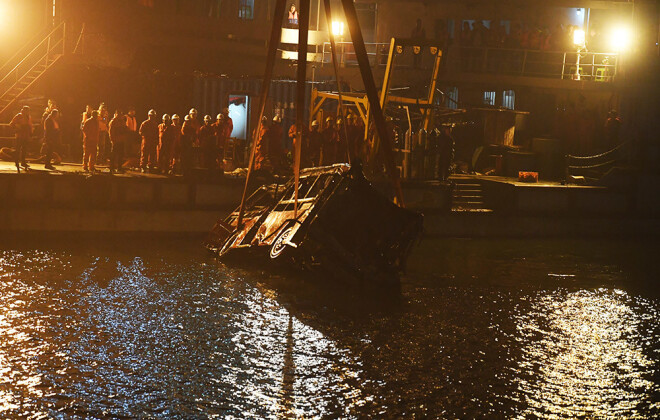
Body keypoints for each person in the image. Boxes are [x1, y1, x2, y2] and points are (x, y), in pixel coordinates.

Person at [10, 106, 33, 172]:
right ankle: (16, 161)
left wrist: (31, 133)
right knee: (18, 149)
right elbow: (12, 124)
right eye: (27, 110)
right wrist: (18, 128)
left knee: (24, 149)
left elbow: (30, 125)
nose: (28, 112)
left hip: (26, 136)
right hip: (19, 136)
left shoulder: (29, 117)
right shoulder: (19, 116)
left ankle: (23, 162)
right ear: (24, 110)